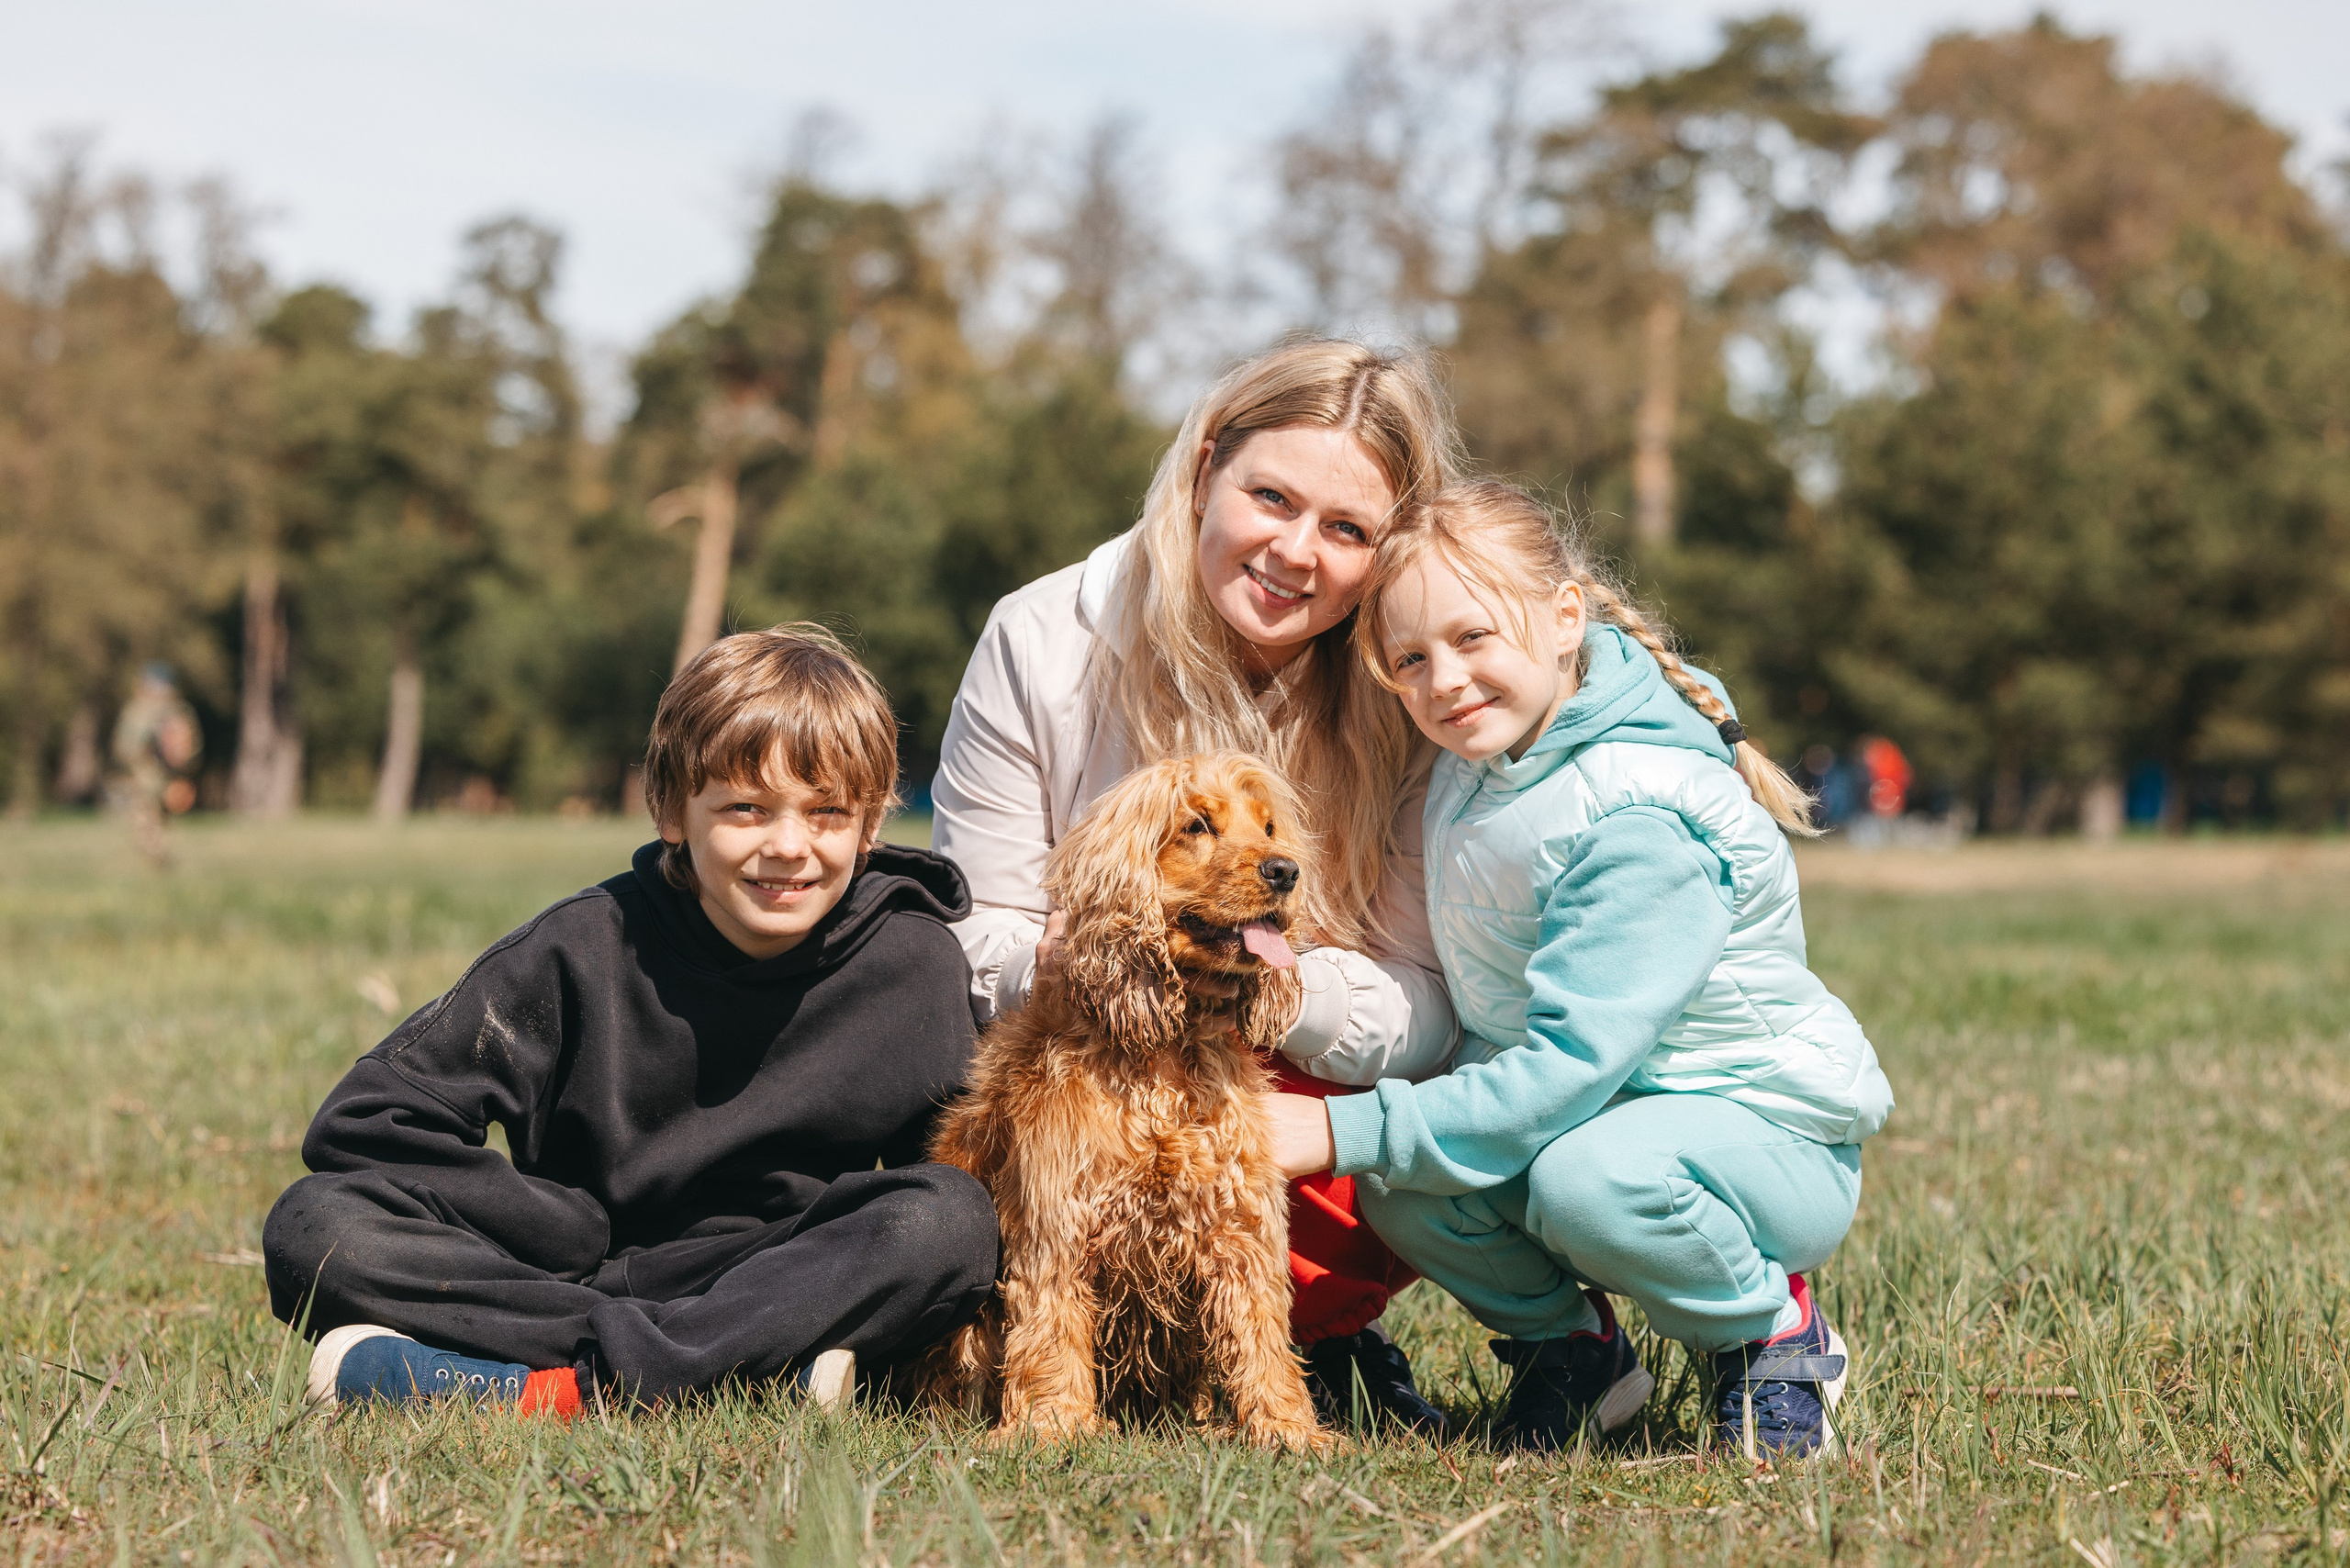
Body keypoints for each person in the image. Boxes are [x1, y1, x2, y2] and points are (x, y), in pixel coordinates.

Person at [1265, 481, 1895, 1457]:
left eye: (1473, 638)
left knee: (1579, 1179)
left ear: (1565, 618)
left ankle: (1770, 1336)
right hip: (1605, 1120)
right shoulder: (1478, 770)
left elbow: (1564, 1067)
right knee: (1402, 1182)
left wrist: (1334, 1123)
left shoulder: (1638, 816)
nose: (1445, 681)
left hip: (1760, 1138)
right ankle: (1576, 1355)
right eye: (1411, 659)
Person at [931, 337, 1464, 1433]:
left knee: (1402, 1118)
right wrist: (1070, 959)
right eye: (1271, 496)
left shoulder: (1408, 684)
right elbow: (962, 929)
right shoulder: (1040, 638)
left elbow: (1426, 998)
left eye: (1348, 529)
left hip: (1286, 1078)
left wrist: (1275, 987)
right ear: (1205, 466)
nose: (1296, 551)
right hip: (1066, 1037)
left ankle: (1305, 1341)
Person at [263, 625, 998, 1415]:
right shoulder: (580, 945)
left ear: (871, 825)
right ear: (671, 811)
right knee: (316, 1223)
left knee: (949, 1221)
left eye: (826, 812)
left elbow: (944, 1171)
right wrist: (558, 1225)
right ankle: (737, 1378)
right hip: (573, 1274)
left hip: (777, 1275)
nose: (790, 846)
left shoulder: (915, 962)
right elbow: (366, 1122)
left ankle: (531, 1389)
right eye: (746, 809)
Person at [113, 662, 202, 867]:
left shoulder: (147, 711)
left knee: (151, 822)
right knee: (149, 822)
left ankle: (159, 859)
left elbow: (124, 746)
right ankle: (158, 858)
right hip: (150, 777)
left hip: (160, 779)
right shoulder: (176, 711)